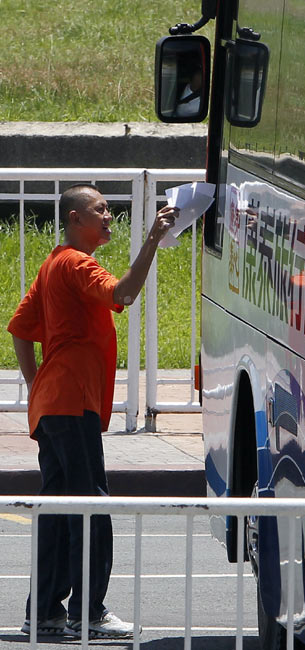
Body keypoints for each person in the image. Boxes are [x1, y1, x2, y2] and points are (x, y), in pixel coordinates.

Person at [7, 184, 178, 639]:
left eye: (107, 210)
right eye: (99, 210)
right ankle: (89, 610)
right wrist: (152, 241)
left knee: (61, 508)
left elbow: (21, 330)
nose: (108, 217)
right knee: (90, 508)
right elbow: (122, 294)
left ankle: (44, 611)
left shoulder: (51, 266)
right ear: (73, 218)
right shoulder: (77, 264)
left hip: (55, 403)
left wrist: (34, 382)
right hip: (71, 400)